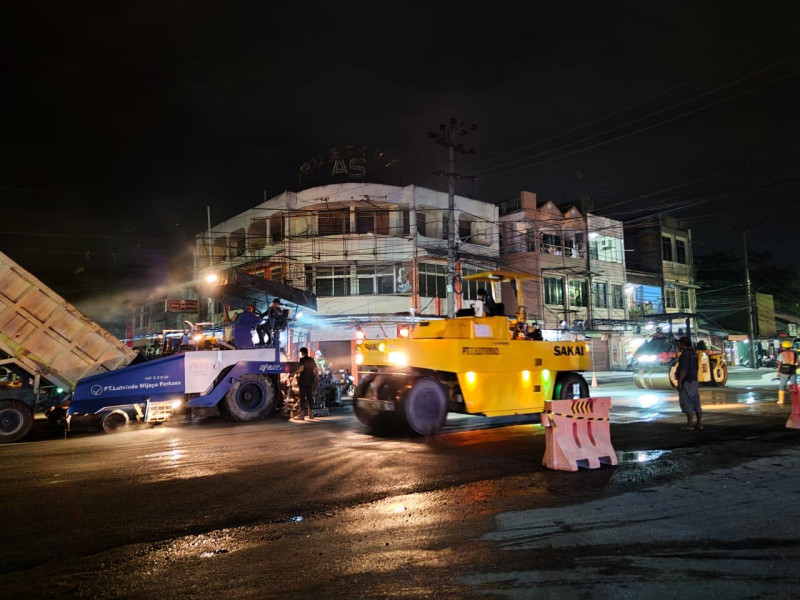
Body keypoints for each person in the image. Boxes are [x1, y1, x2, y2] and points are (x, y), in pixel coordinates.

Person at [676, 336, 702, 430]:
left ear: (683, 344)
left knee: (687, 402)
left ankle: (690, 424)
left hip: (687, 381)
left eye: (679, 343)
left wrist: (679, 382)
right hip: (694, 380)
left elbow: (684, 370)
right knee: (696, 402)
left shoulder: (685, 355)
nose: (678, 345)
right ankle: (699, 423)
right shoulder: (694, 354)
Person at [292, 347, 318, 420]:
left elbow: (301, 369)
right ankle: (311, 414)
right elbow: (316, 369)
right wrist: (318, 378)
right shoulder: (311, 359)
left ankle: (302, 415)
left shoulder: (302, 359)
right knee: (310, 396)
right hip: (311, 380)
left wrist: (293, 373)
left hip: (303, 381)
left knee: (302, 397)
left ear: (302, 353)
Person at [776, 339, 798, 404]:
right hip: (792, 371)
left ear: (783, 347)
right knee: (793, 385)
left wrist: (778, 372)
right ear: (790, 347)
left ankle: (781, 400)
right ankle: (795, 400)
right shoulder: (794, 354)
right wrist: (794, 367)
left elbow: (779, 364)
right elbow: (798, 363)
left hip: (784, 372)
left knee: (782, 385)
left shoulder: (782, 354)